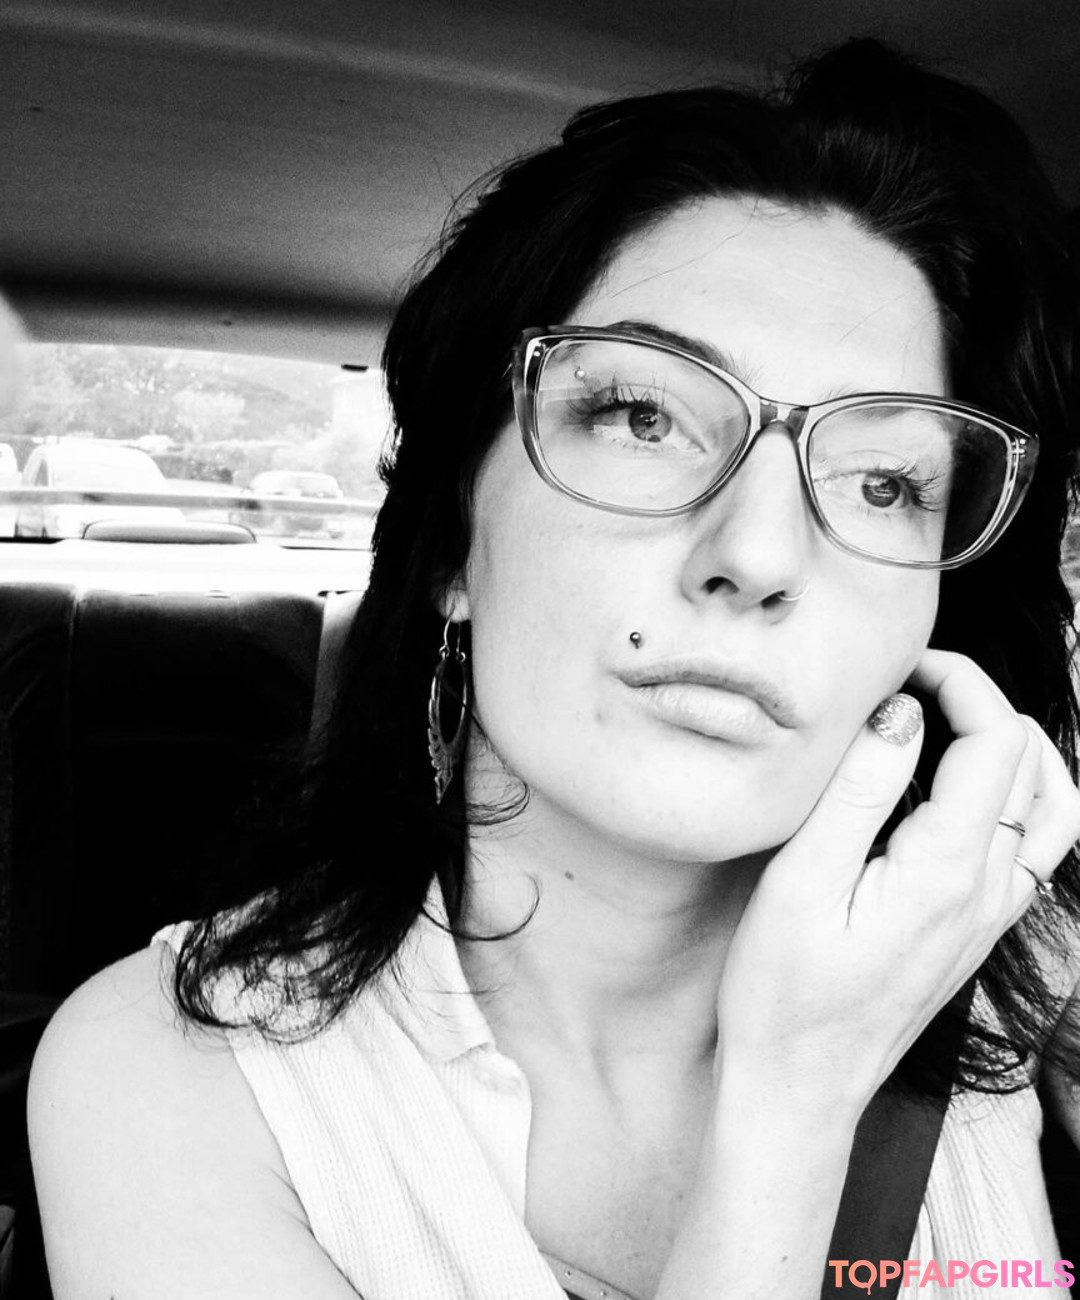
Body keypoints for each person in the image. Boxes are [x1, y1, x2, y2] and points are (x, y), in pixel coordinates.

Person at [27, 38, 1080, 1300]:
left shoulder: (1024, 982)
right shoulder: (166, 1074)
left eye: (885, 481)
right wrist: (796, 1100)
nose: (757, 554)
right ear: (450, 547)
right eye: (642, 417)